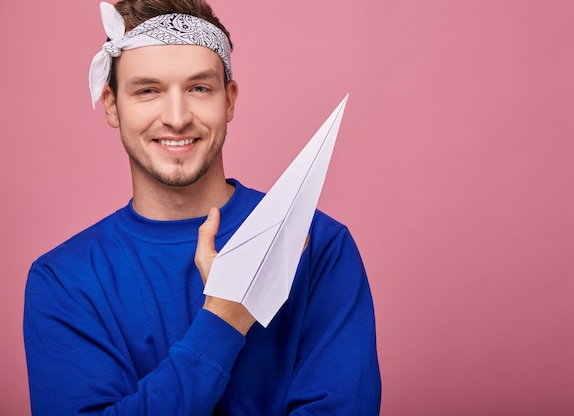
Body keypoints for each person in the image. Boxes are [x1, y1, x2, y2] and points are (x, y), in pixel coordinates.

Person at [23, 0, 381, 414]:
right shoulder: (64, 280)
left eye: (199, 88)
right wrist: (225, 319)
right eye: (147, 90)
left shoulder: (317, 246)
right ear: (111, 104)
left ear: (228, 100)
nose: (176, 118)